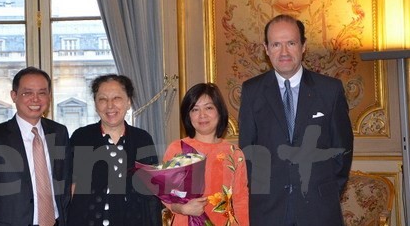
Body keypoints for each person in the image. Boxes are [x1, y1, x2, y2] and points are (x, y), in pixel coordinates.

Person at [238, 14, 354, 226]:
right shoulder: (252, 91)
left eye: (291, 43)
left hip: (319, 210)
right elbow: (248, 151)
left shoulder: (330, 90)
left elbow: (342, 151)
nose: (283, 52)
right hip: (268, 211)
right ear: (266, 49)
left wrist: (325, 191)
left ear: (303, 46)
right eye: (276, 44)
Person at [0, 66, 72, 226]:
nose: (35, 99)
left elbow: (64, 186)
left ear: (49, 97)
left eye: (42, 93)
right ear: (14, 95)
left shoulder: (59, 132)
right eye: (27, 93)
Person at [68, 74, 162, 226]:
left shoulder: (142, 139)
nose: (110, 106)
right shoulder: (81, 138)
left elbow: (151, 196)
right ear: (95, 103)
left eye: (116, 98)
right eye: (103, 99)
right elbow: (70, 190)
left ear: (129, 101)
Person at [163, 82, 249, 226]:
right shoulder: (177, 149)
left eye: (209, 108)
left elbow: (241, 200)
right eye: (195, 110)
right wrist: (183, 208)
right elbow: (166, 195)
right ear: (188, 116)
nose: (202, 115)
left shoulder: (234, 153)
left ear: (219, 112)